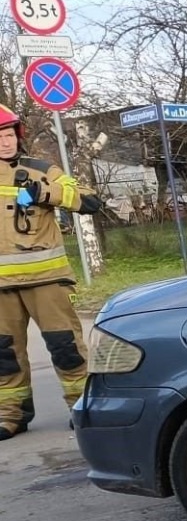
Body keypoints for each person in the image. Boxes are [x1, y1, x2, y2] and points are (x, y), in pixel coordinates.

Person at [0, 106, 102, 439]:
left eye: (8, 134)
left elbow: (89, 200)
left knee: (66, 349)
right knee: (5, 355)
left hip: (47, 282)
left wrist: (47, 193)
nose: (4, 142)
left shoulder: (42, 170)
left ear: (18, 135)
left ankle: (82, 406)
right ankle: (10, 414)